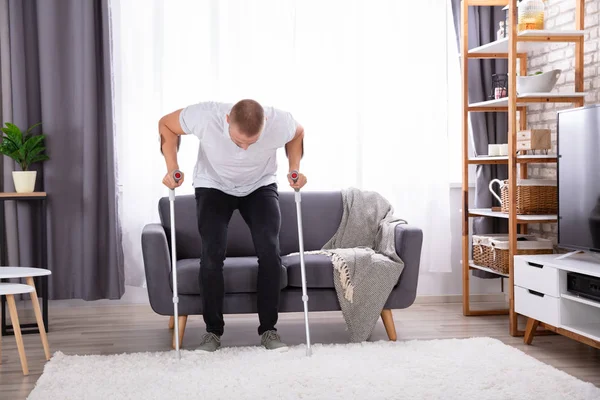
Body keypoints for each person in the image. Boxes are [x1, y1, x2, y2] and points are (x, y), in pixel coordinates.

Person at [158, 99, 306, 352]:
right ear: (227, 120)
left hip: (260, 185)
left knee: (270, 254)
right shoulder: (206, 116)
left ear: (266, 124)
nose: (245, 148)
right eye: (239, 141)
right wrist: (172, 167)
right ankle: (212, 332)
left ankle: (269, 330)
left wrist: (294, 169)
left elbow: (298, 132)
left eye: (252, 141)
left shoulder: (279, 121)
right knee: (212, 256)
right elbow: (167, 125)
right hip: (213, 185)